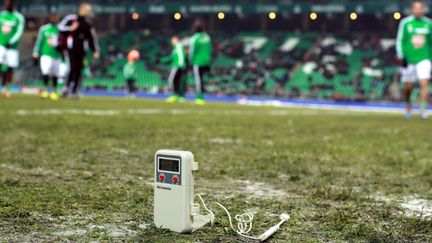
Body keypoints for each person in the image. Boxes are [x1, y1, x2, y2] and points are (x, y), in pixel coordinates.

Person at [396, 0, 432, 120]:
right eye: (415, 8)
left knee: (424, 83)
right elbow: (400, 40)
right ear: (412, 9)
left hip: (424, 58)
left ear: (423, 9)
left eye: (420, 8)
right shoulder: (405, 23)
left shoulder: (429, 24)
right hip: (408, 59)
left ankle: (422, 110)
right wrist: (401, 55)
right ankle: (408, 106)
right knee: (408, 87)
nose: (418, 10)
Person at [58, 2, 99, 100]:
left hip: (82, 50)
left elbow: (92, 38)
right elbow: (60, 27)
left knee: (79, 70)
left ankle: (75, 91)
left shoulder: (88, 24)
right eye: (88, 9)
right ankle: (66, 88)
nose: (89, 12)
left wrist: (95, 50)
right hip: (71, 48)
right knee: (72, 68)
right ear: (82, 9)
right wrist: (70, 28)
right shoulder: (71, 18)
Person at [33, 12, 62, 101]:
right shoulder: (44, 29)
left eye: (55, 17)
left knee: (55, 75)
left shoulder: (60, 29)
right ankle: (45, 90)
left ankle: (54, 91)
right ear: (49, 18)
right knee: (45, 72)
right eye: (52, 17)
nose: (54, 19)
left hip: (57, 55)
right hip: (46, 54)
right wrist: (35, 51)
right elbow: (39, 41)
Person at [0, 0, 24, 98]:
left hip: (12, 48)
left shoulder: (18, 17)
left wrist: (11, 41)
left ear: (13, 4)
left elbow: (20, 31)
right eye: (6, 2)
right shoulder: (1, 15)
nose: (7, 4)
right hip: (1, 45)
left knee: (10, 68)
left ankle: (6, 88)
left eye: (9, 2)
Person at [189, 19, 212, 105]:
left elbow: (192, 52)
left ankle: (199, 98)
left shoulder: (195, 38)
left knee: (198, 79)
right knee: (202, 79)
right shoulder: (207, 37)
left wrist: (190, 62)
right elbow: (210, 49)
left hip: (198, 61)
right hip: (207, 61)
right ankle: (201, 96)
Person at [163, 36, 186, 103]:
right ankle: (179, 96)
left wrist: (180, 64)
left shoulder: (178, 46)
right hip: (178, 65)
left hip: (177, 65)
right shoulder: (175, 49)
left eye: (173, 40)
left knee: (171, 80)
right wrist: (162, 60)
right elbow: (171, 57)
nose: (172, 42)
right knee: (177, 81)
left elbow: (181, 56)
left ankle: (174, 95)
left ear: (177, 40)